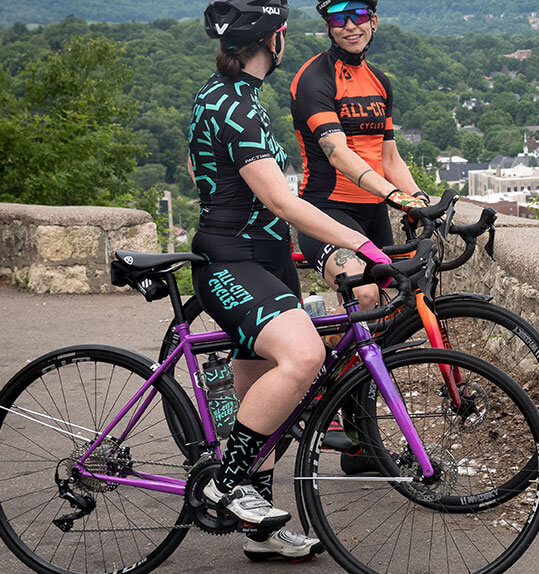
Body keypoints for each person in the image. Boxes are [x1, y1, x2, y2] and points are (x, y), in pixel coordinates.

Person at [191, 0, 390, 562]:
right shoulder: (233, 106)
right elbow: (281, 198)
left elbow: (197, 167)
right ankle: (224, 483)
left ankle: (262, 531)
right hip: (233, 260)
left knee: (266, 396)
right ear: (272, 41)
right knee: (302, 357)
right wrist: (361, 243)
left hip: (264, 257)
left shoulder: (234, 98)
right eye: (282, 34)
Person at [290, 0, 426, 312]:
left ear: (373, 21)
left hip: (375, 215)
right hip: (327, 212)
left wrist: (417, 196)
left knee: (402, 299)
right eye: (339, 19)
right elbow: (337, 152)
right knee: (365, 294)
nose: (350, 26)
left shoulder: (379, 80)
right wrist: (394, 194)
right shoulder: (314, 78)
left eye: (359, 15)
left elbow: (389, 157)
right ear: (329, 27)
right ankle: (318, 354)